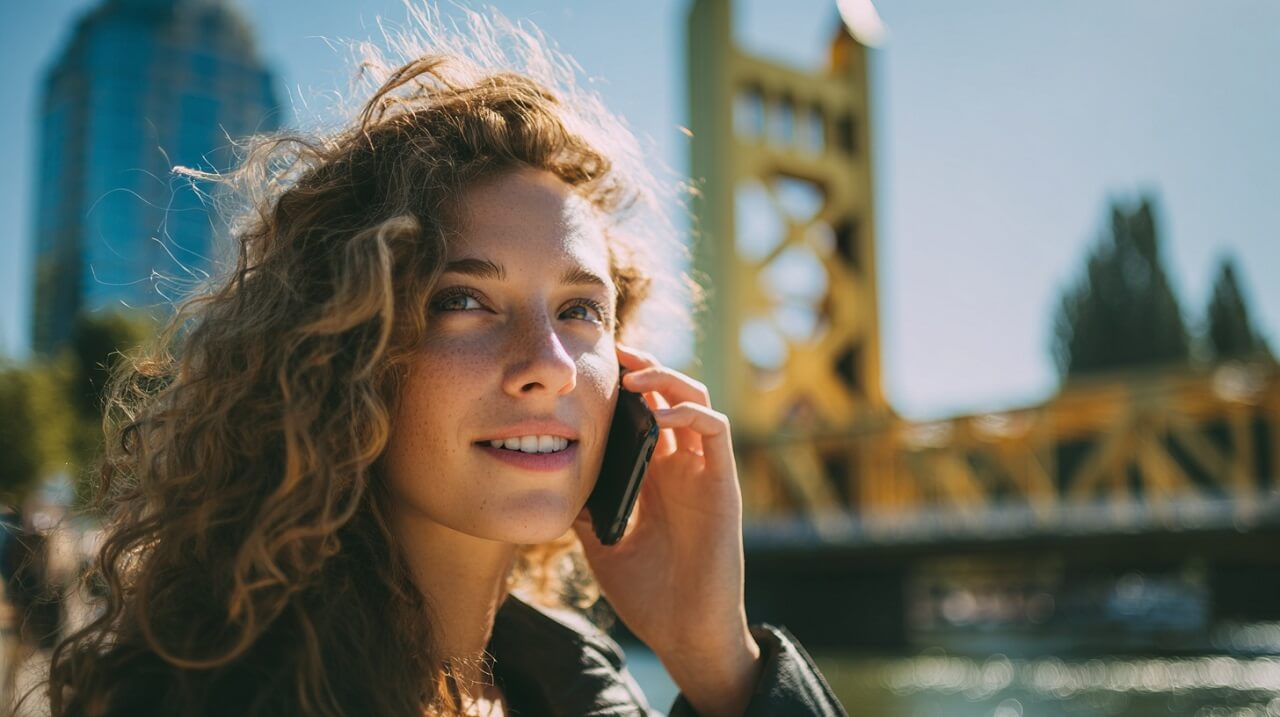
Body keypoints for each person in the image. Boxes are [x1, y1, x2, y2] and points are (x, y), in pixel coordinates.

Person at [39, 6, 849, 716]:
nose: (551, 364)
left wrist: (719, 661)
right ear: (339, 350)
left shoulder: (577, 683)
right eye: (463, 300)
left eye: (579, 310)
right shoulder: (214, 693)